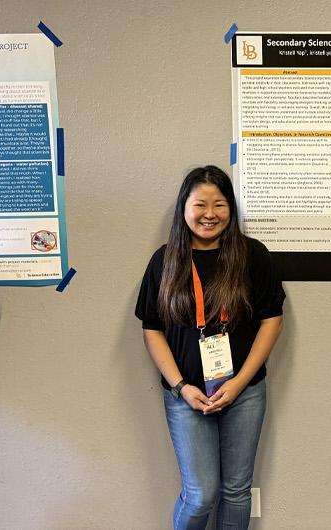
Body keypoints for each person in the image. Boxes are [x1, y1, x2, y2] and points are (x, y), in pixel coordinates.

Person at [134, 165, 286, 530]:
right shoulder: (165, 260)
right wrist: (180, 387)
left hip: (244, 392)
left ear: (230, 209)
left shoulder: (252, 255)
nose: (210, 214)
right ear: (184, 209)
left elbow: (272, 319)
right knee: (201, 492)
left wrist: (239, 383)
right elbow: (151, 328)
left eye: (219, 204)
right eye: (200, 204)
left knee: (236, 491)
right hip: (186, 394)